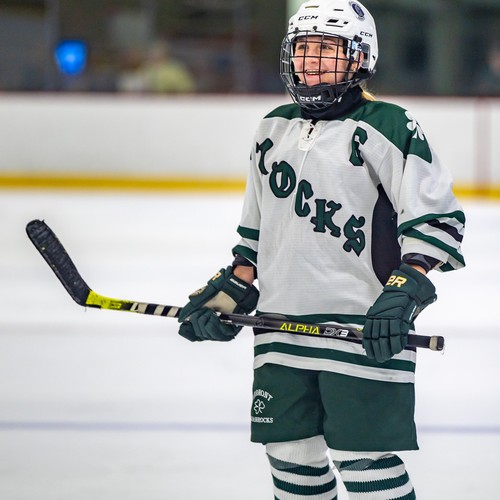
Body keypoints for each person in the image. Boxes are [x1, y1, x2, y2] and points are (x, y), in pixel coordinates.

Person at [178, 1, 466, 498]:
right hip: (279, 324)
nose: (311, 60)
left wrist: (406, 288)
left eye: (327, 49)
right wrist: (232, 289)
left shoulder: (389, 125)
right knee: (290, 454)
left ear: (360, 58)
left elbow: (435, 218)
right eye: (303, 48)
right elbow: (256, 231)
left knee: (363, 457)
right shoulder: (272, 127)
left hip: (362, 326)